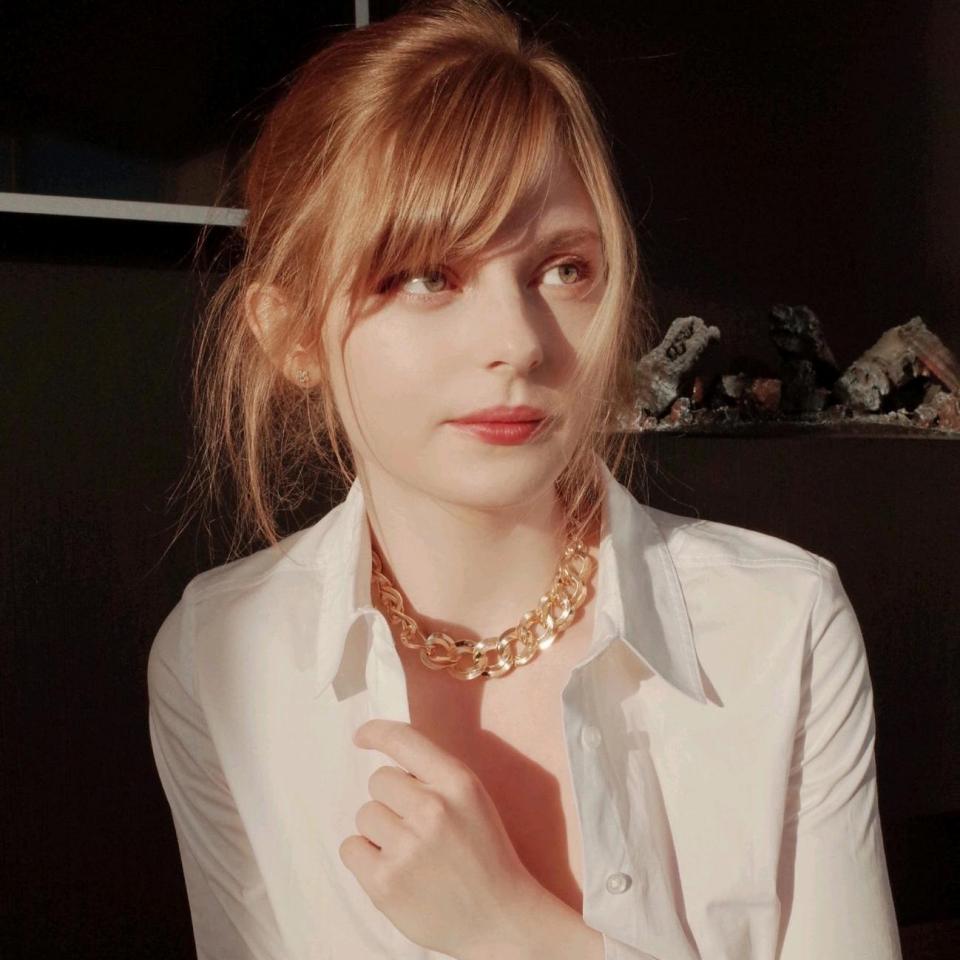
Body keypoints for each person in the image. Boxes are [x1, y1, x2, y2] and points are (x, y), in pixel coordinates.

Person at [146, 1, 903, 958]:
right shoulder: (220, 659)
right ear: (292, 333)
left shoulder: (780, 626)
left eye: (564, 270)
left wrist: (510, 929)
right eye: (427, 276)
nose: (518, 342)